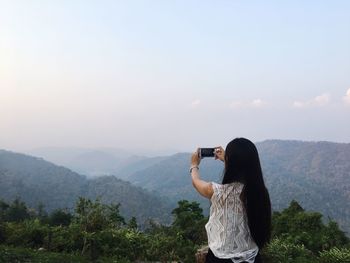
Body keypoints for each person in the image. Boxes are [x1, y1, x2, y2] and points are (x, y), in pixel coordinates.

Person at [190, 138, 271, 263]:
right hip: (252, 258)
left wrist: (194, 165)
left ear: (230, 161)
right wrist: (227, 159)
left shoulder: (218, 192)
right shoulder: (259, 192)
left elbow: (196, 182)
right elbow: (245, 169)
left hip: (220, 258)